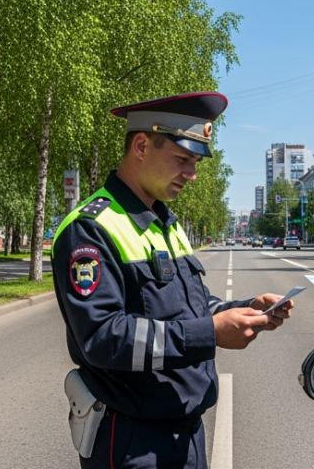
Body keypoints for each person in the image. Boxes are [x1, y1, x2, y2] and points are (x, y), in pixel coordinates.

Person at [50, 92, 294, 469]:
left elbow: (190, 306)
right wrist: (210, 334)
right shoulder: (91, 228)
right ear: (142, 145)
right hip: (133, 442)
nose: (192, 175)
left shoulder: (166, 223)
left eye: (196, 162)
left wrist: (243, 309)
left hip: (186, 434)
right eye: (183, 159)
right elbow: (102, 337)